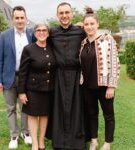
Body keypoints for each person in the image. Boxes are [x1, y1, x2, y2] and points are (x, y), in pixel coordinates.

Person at [47, 2, 87, 150]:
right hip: (58, 75)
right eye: (61, 13)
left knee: (77, 108)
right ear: (57, 15)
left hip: (76, 75)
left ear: (72, 14)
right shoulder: (52, 32)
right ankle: (59, 141)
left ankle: (76, 141)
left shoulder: (80, 31)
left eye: (67, 12)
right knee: (59, 107)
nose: (64, 16)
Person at [79, 7, 120, 150]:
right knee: (92, 114)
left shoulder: (107, 40)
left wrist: (111, 86)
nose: (89, 27)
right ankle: (94, 141)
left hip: (104, 86)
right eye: (86, 24)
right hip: (87, 86)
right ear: (83, 26)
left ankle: (107, 143)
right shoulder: (83, 43)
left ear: (97, 24)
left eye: (92, 24)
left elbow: (115, 63)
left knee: (108, 115)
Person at [0, 6, 34, 149]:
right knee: (11, 108)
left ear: (26, 18)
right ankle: (14, 136)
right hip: (9, 78)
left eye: (22, 17)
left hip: (27, 79)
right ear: (12, 19)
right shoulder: (4, 35)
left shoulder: (31, 34)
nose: (19, 20)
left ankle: (26, 133)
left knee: (25, 108)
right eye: (16, 18)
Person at [18, 23, 56, 150]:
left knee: (45, 115)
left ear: (48, 33)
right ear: (34, 33)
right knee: (33, 115)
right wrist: (22, 92)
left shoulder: (52, 48)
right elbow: (22, 72)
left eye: (44, 30)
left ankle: (41, 141)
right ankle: (34, 143)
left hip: (48, 89)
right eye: (38, 30)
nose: (41, 32)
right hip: (32, 89)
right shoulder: (28, 49)